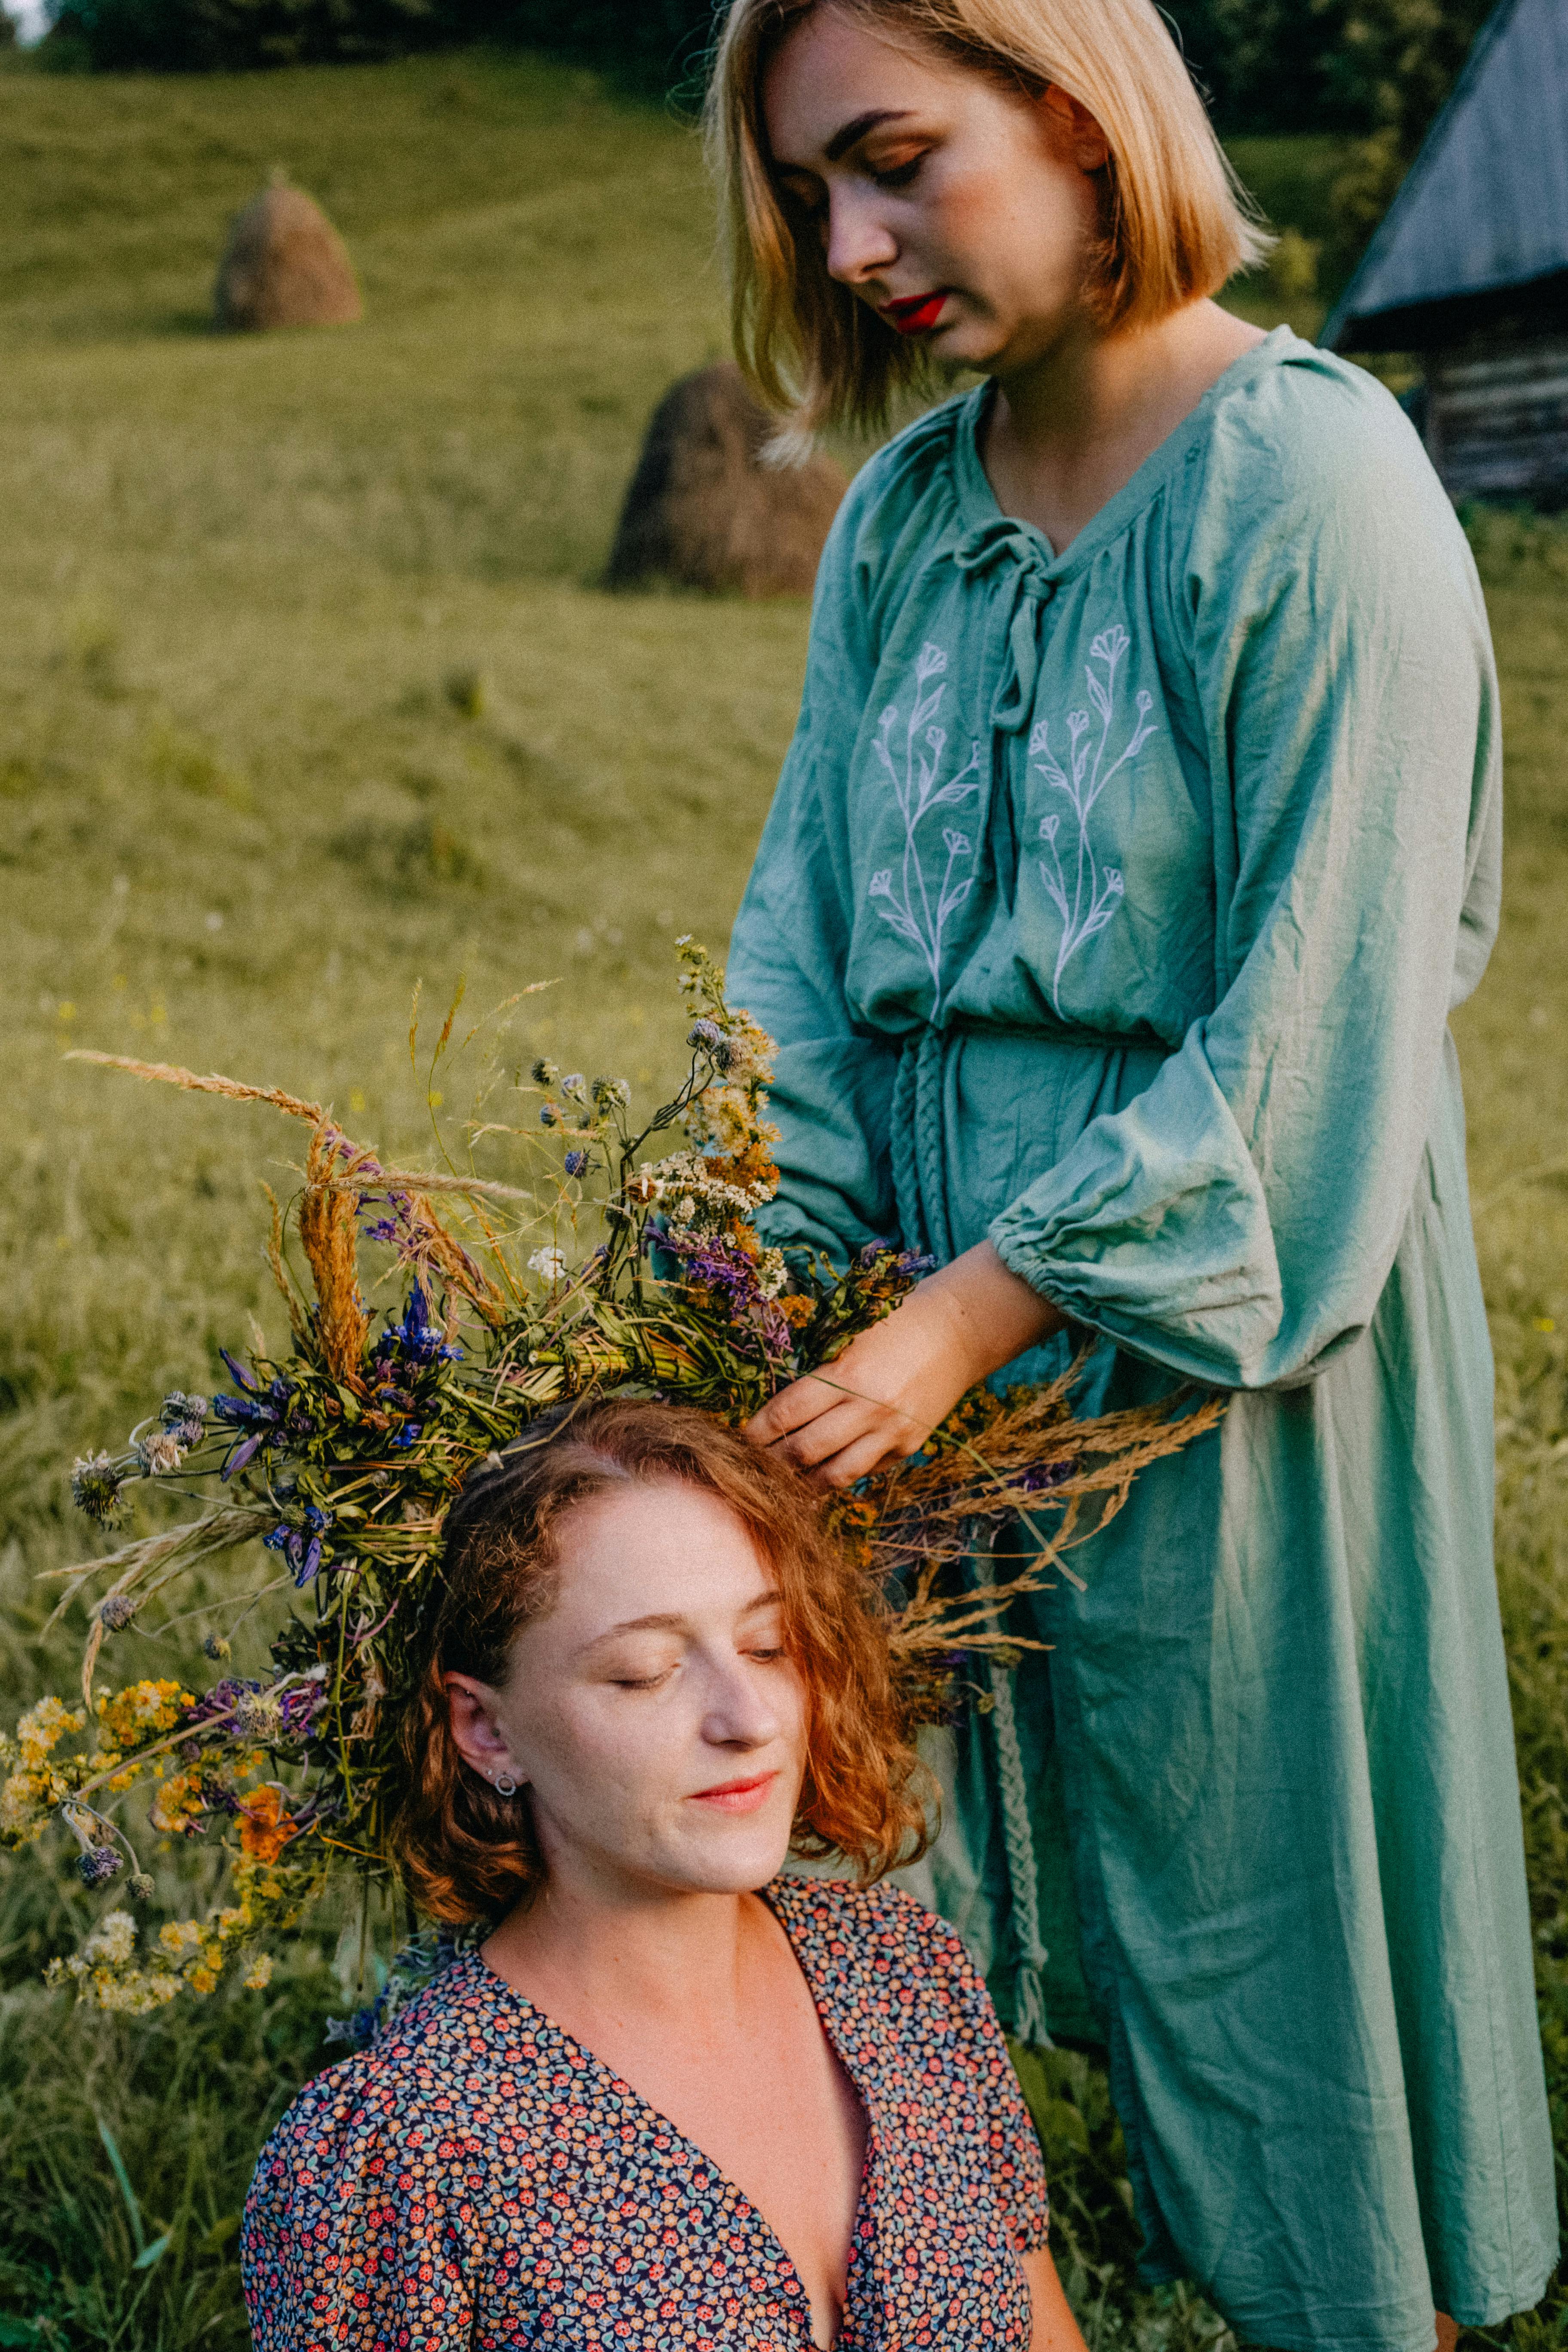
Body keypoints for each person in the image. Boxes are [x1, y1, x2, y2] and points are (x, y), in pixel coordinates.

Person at [708, 1, 1560, 2347]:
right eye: (811, 198)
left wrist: (984, 1306)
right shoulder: (901, 517)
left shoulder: (1324, 485)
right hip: (907, 1359)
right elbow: (801, 928)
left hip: (1236, 1345)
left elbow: (1328, 1013)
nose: (857, 243)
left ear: (1081, 114)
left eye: (895, 160)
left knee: (1265, 1930)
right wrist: (773, 1283)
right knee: (915, 1936)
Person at [240, 1400, 1088, 2350]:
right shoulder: (402, 2151)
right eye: (645, 1672)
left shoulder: (904, 1975)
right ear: (487, 1730)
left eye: (769, 1646)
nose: (749, 1718)